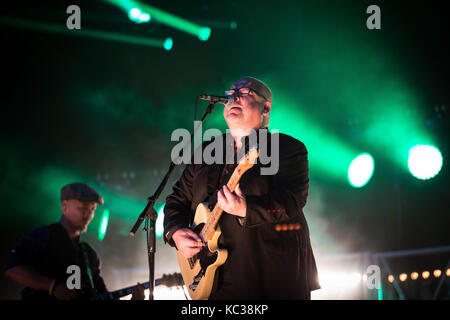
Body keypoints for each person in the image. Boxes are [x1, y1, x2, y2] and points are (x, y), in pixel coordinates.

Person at [164, 77, 320, 299]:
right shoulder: (205, 151)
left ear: (266, 107)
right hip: (214, 282)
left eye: (245, 92)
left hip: (270, 280)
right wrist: (176, 233)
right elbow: (176, 200)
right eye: (230, 92)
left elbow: (292, 201)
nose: (233, 97)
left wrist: (246, 209)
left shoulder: (286, 148)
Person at [5, 182, 145, 300]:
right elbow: (13, 269)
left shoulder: (88, 254)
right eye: (82, 208)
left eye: (92, 209)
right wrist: (53, 286)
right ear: (64, 207)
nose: (88, 215)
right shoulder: (45, 235)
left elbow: (102, 296)